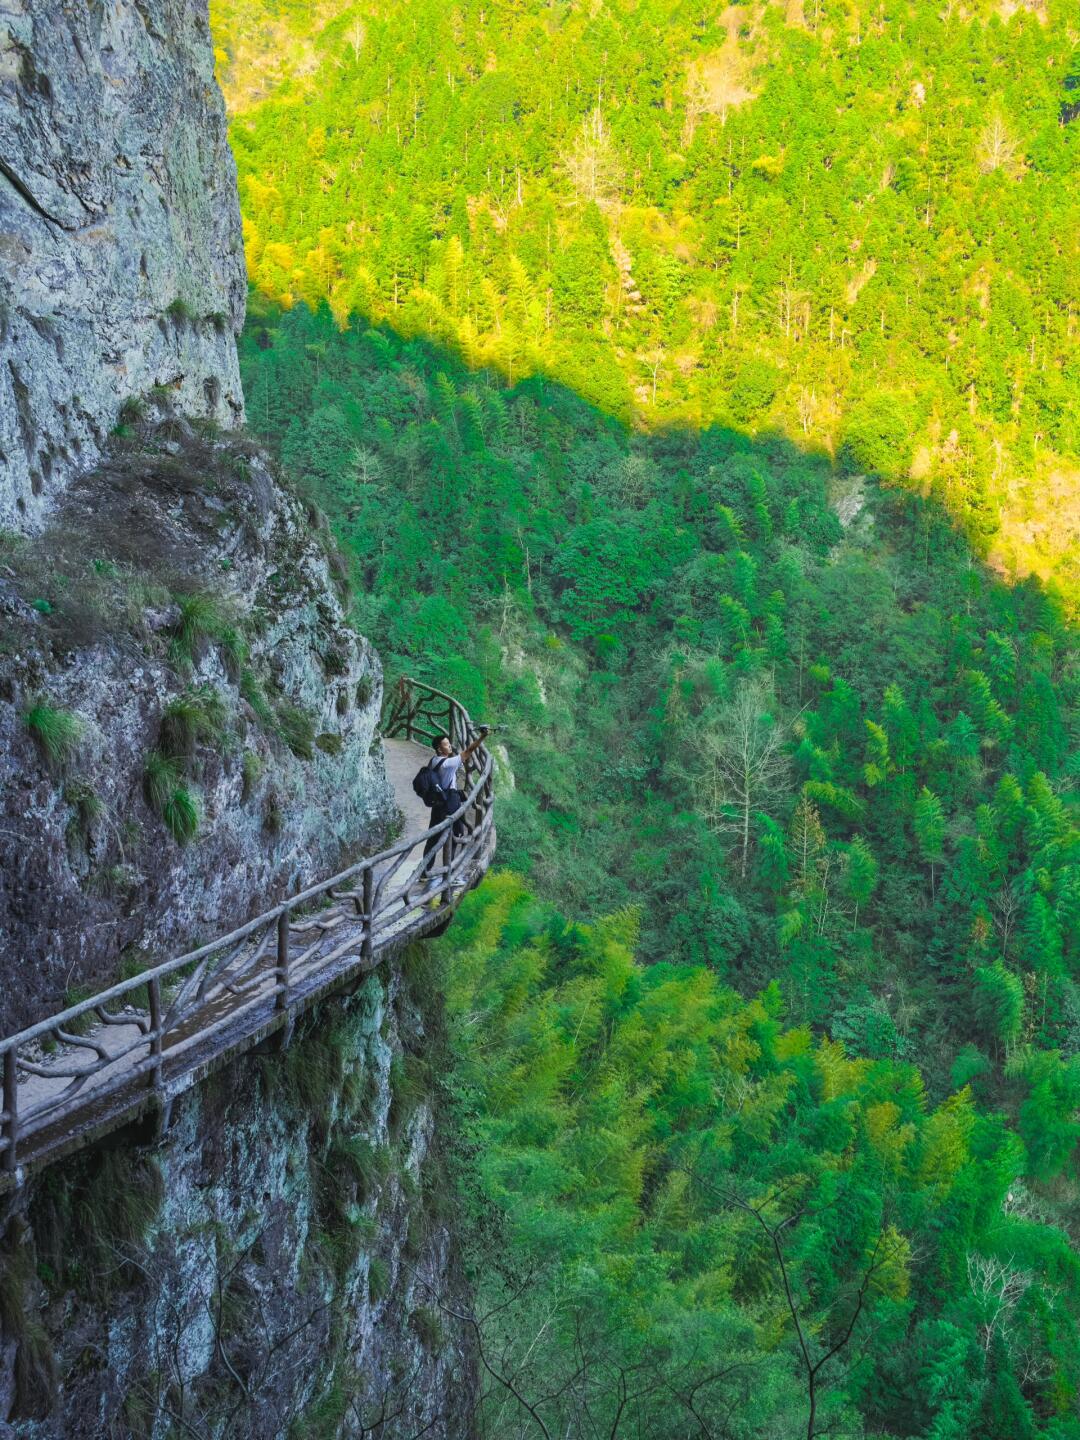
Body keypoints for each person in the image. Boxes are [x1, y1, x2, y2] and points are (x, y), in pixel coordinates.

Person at [418, 729, 488, 884]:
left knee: (433, 837)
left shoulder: (434, 761)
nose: (449, 746)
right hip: (449, 803)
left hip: (438, 803)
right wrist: (482, 736)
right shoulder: (449, 763)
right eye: (446, 744)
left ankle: (424, 871)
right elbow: (469, 750)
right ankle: (450, 872)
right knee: (456, 834)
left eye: (449, 743)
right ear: (439, 749)